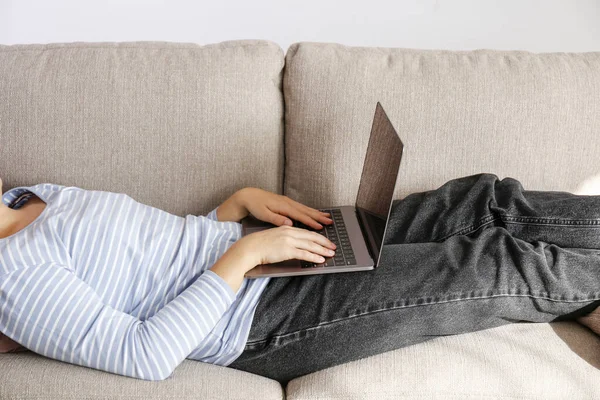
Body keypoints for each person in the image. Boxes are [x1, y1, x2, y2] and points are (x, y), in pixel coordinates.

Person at [0, 173, 598, 385]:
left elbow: (145, 262)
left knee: (477, 202)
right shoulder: (12, 278)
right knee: (492, 263)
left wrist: (232, 210)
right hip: (259, 320)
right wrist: (243, 257)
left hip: (261, 257)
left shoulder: (30, 194)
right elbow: (145, 354)